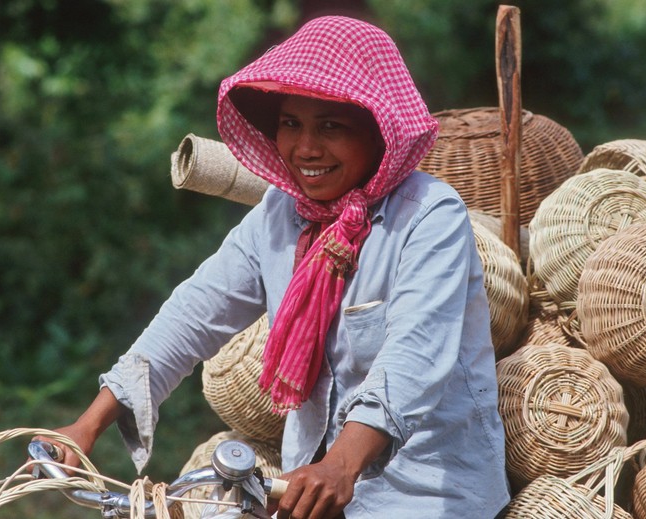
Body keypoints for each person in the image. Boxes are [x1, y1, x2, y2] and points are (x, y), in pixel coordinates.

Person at [41, 15, 511, 518]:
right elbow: (193, 315)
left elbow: (414, 357)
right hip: (303, 490)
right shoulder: (280, 214)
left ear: (379, 133)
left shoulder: (429, 215)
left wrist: (341, 466)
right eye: (291, 124)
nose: (305, 149)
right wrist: (87, 425)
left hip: (426, 496)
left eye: (331, 127)